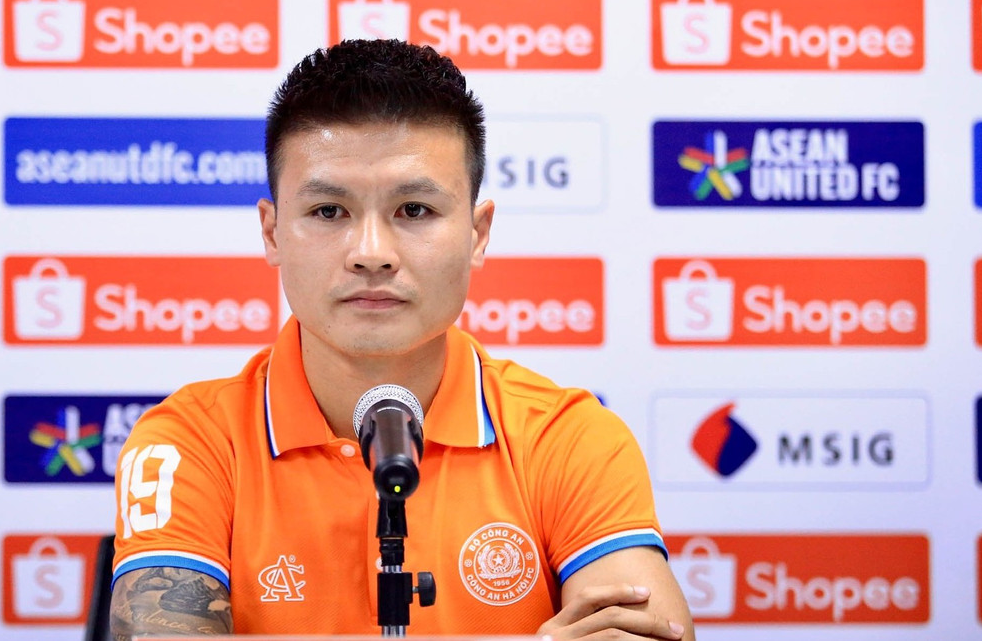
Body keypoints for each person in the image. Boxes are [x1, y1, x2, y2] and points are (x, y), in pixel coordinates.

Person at [109, 39, 695, 640]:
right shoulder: (190, 441)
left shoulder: (568, 436)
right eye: (329, 211)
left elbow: (654, 631)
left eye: (414, 210)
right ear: (273, 231)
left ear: (477, 234)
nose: (371, 254)